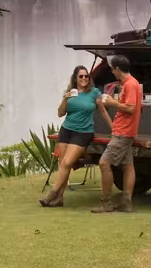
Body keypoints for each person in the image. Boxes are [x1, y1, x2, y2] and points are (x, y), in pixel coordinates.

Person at [39, 65, 113, 207]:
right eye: (81, 76)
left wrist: (113, 128)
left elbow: (103, 112)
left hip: (83, 132)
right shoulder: (70, 93)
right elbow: (60, 113)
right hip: (66, 130)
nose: (84, 78)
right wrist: (65, 99)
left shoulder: (94, 92)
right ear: (75, 78)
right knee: (63, 163)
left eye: (86, 76)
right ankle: (59, 198)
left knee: (67, 163)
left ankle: (51, 195)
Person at [91, 54, 142, 213]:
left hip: (123, 132)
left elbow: (131, 108)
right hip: (124, 131)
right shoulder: (129, 83)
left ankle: (106, 202)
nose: (112, 72)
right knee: (128, 166)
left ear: (118, 69)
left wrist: (112, 103)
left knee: (104, 163)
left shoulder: (130, 84)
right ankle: (126, 203)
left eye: (113, 69)